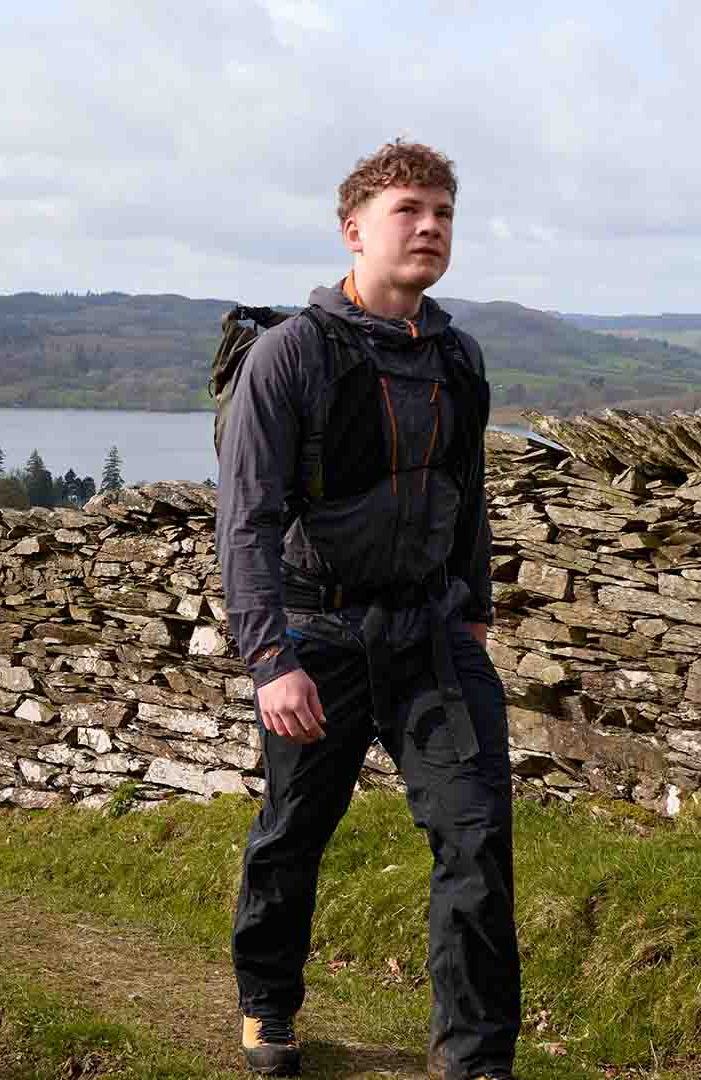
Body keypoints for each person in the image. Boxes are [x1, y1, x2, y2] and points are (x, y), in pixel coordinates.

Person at [216, 140, 519, 1079]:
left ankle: (476, 1060)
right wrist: (271, 659)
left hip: (431, 632)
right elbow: (248, 521)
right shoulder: (290, 356)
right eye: (409, 211)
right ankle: (268, 1004)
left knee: (476, 836)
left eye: (444, 214)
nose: (431, 228)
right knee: (294, 830)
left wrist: (473, 610)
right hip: (317, 633)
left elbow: (465, 492)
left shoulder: (459, 358)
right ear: (354, 231)